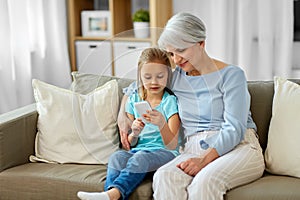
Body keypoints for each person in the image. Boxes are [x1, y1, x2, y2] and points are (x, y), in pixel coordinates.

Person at [118, 12, 265, 199]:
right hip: (192, 147)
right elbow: (134, 87)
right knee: (164, 176)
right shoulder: (175, 78)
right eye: (171, 53)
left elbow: (234, 129)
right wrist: (122, 116)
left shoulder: (232, 75)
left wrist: (204, 161)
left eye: (181, 50)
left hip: (239, 146)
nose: (176, 59)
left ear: (201, 43)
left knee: (205, 182)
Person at [77, 47, 181, 200]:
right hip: (139, 151)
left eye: (160, 76)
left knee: (140, 157)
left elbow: (172, 145)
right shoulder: (134, 100)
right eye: (147, 77)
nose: (154, 82)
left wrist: (161, 124)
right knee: (117, 157)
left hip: (165, 153)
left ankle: (113, 194)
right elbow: (131, 143)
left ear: (168, 75)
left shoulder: (169, 101)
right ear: (140, 76)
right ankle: (110, 195)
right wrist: (135, 133)